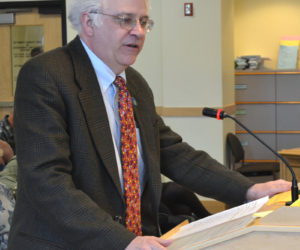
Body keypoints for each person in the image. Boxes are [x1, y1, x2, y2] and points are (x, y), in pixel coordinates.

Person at [8, 0, 291, 249]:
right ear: (88, 21)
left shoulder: (135, 85)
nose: (138, 31)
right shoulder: (46, 76)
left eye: (143, 22)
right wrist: (123, 241)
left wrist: (249, 190)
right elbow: (47, 182)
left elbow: (174, 153)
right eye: (126, 20)